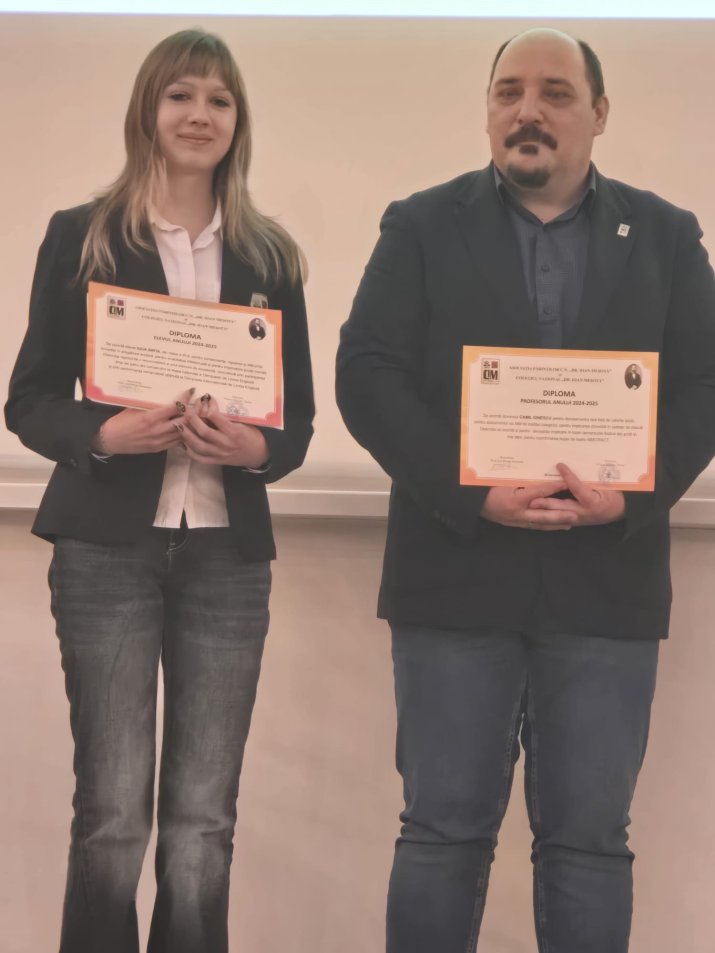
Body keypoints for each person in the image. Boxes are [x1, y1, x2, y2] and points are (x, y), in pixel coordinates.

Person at [336, 27, 715, 953]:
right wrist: (470, 489)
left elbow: (707, 383)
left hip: (605, 580)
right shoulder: (421, 225)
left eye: (554, 92)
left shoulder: (665, 235)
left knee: (588, 842)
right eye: (508, 91)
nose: (527, 111)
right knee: (441, 832)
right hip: (454, 572)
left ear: (598, 113)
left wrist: (635, 493)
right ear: (487, 110)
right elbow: (367, 374)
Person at [5, 29, 313, 953]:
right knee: (111, 815)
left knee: (202, 825)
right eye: (181, 95)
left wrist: (253, 447)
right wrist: (104, 434)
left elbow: (294, 425)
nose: (199, 114)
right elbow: (29, 398)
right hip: (106, 552)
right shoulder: (83, 234)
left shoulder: (270, 255)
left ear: (238, 122)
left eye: (219, 99)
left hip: (226, 560)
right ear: (148, 108)